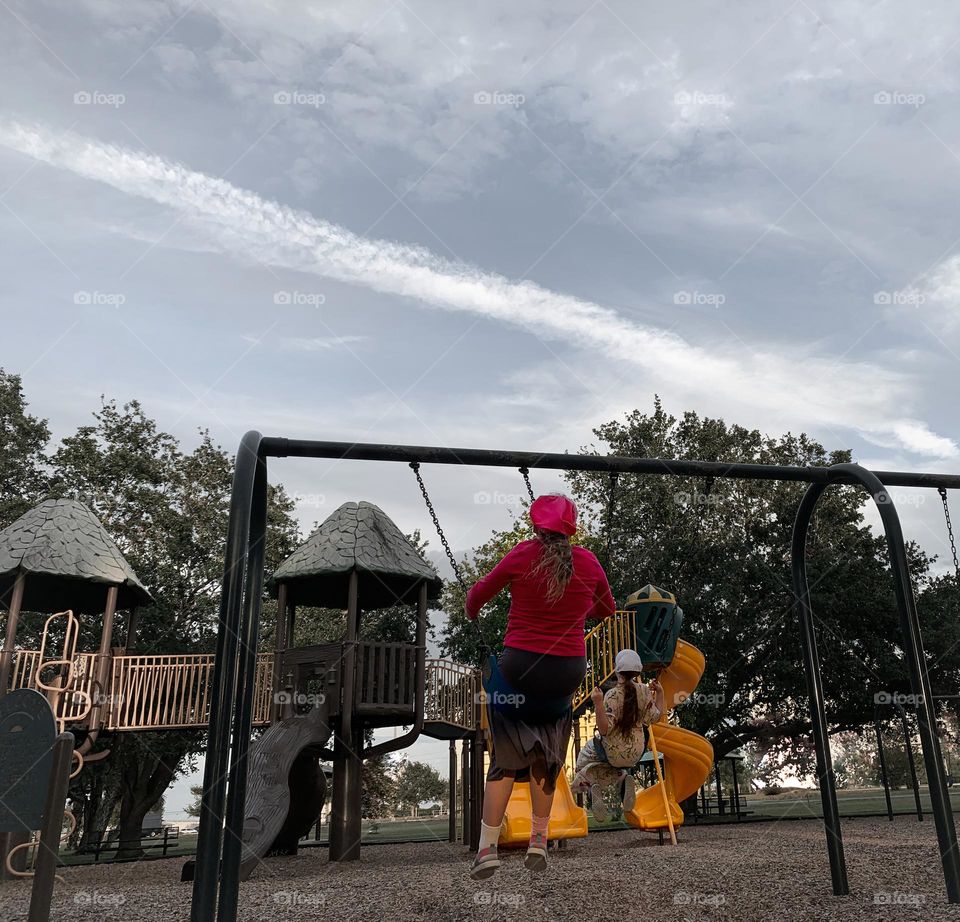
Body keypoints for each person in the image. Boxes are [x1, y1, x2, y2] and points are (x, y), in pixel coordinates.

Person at [465, 494, 614, 879]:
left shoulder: (520, 555)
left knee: (503, 759)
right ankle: (538, 840)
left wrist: (470, 608)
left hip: (520, 669)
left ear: (536, 526)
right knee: (546, 756)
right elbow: (607, 609)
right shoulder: (589, 561)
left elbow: (478, 595)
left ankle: (486, 850)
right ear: (572, 528)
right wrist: (582, 605)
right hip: (566, 672)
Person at [571, 649, 664, 822]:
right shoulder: (644, 691)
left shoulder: (612, 695)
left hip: (613, 751)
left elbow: (605, 729)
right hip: (636, 752)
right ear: (638, 671)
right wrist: (660, 693)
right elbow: (657, 717)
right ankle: (621, 780)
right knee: (611, 766)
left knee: (583, 762)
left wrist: (598, 702)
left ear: (617, 670)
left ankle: (592, 788)